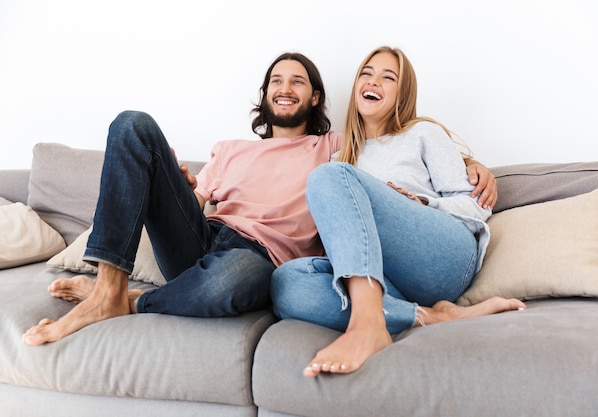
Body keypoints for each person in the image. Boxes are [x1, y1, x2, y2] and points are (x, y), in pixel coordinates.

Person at [22, 51, 498, 346]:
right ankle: (109, 285)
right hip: (201, 237)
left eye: (298, 82)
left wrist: (474, 168)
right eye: (276, 80)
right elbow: (200, 200)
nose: (284, 88)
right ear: (265, 95)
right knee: (132, 124)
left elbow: (390, 156)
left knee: (239, 277)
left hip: (258, 257)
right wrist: (182, 190)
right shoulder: (228, 150)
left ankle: (129, 301)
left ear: (315, 99)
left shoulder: (336, 147)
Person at [270, 46, 526, 378]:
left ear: (401, 93)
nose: (373, 81)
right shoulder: (340, 157)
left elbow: (477, 206)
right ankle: (429, 316)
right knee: (286, 283)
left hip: (443, 256)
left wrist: (423, 204)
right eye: (367, 73)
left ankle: (366, 325)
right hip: (388, 278)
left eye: (387, 77)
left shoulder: (423, 134)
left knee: (329, 176)